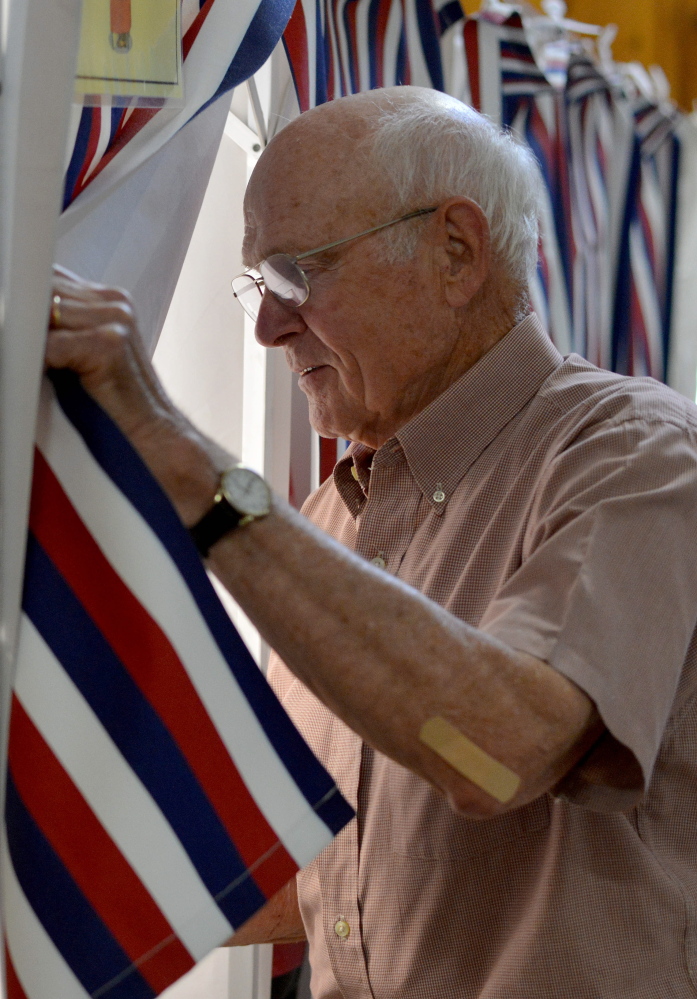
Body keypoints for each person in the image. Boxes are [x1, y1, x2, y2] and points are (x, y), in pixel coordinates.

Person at [46, 86, 697, 998]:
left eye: (295, 277)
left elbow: (499, 747)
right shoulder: (335, 516)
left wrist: (178, 454)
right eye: (258, 287)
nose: (269, 326)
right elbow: (306, 865)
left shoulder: (633, 454)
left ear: (456, 252)